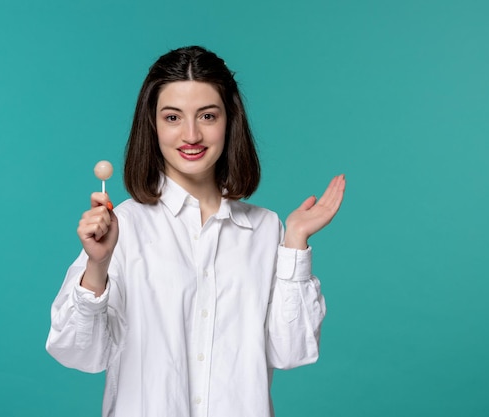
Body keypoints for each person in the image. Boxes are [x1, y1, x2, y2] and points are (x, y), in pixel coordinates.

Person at [46, 45, 346, 417]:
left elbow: (291, 352)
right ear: (152, 124)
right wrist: (97, 267)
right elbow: (78, 353)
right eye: (172, 117)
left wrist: (295, 244)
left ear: (229, 120)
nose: (191, 135)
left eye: (207, 115)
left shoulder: (266, 229)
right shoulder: (123, 227)